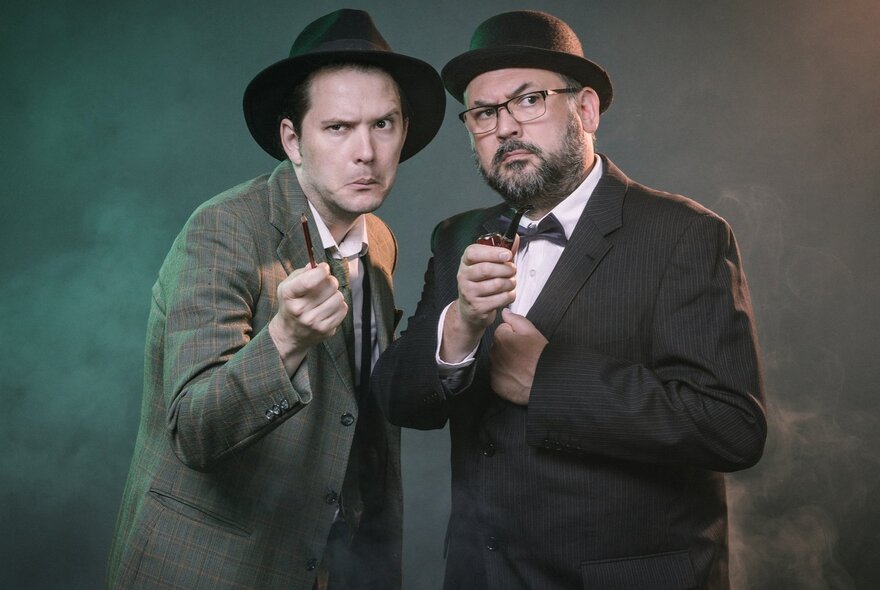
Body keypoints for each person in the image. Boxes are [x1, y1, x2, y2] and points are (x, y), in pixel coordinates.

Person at [372, 10, 766, 590]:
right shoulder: (456, 236)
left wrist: (548, 379)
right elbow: (402, 403)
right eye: (484, 113)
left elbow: (732, 427)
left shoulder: (685, 233)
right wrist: (458, 330)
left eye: (528, 100)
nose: (505, 128)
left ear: (585, 110)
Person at [106, 9, 444, 590]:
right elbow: (195, 429)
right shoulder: (223, 230)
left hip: (327, 563)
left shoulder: (380, 240)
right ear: (293, 139)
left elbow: (356, 408)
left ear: (404, 131)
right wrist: (284, 339)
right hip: (209, 567)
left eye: (383, 125)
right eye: (338, 128)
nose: (365, 151)